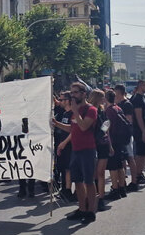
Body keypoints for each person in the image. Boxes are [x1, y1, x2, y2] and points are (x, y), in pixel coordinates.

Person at [52, 82, 98, 224]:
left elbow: (83, 127)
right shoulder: (75, 111)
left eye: (76, 92)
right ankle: (82, 209)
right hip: (75, 150)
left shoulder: (91, 110)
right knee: (77, 181)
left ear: (84, 94)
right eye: (71, 93)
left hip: (87, 150)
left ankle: (91, 211)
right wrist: (57, 123)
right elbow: (72, 129)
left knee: (88, 182)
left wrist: (76, 111)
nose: (73, 95)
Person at [88, 89, 112, 212]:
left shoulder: (103, 111)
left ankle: (101, 198)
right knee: (92, 174)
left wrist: (110, 145)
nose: (104, 99)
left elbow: (106, 129)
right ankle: (92, 198)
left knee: (100, 173)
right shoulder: (89, 111)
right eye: (102, 97)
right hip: (91, 144)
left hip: (102, 144)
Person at [104, 89, 130, 200]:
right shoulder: (118, 108)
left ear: (106, 98)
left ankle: (115, 189)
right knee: (120, 165)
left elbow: (107, 128)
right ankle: (122, 187)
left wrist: (108, 143)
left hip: (113, 140)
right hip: (120, 140)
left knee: (113, 167)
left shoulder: (109, 111)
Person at [129, 81, 145, 185]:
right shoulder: (137, 98)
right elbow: (138, 116)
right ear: (140, 86)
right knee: (140, 154)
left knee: (143, 153)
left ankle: (140, 173)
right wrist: (143, 131)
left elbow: (143, 113)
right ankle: (137, 175)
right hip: (139, 130)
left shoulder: (143, 97)